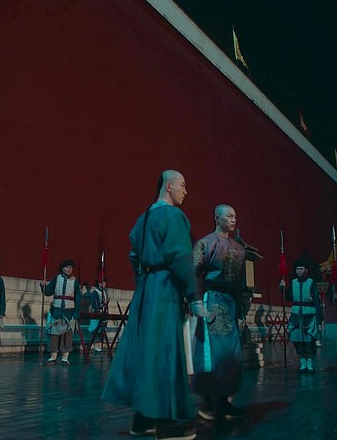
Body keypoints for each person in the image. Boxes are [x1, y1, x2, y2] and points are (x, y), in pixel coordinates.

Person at [102, 170, 202, 440]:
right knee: (167, 352)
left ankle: (142, 420)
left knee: (147, 351)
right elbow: (181, 257)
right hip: (166, 287)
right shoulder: (174, 216)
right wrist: (192, 295)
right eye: (183, 185)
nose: (185, 191)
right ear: (169, 186)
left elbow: (134, 255)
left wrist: (144, 283)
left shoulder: (142, 219)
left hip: (146, 288)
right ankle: (168, 424)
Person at [192, 204, 250, 421]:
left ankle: (224, 401)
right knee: (212, 354)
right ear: (217, 218)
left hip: (231, 302)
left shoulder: (239, 249)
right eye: (229, 216)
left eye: (235, 216)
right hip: (212, 300)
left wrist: (241, 312)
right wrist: (196, 301)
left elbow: (241, 284)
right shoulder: (205, 244)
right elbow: (194, 274)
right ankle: (208, 402)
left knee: (231, 354)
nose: (233, 220)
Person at [280, 258, 323, 372]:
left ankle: (310, 363)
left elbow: (316, 301)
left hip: (309, 315)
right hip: (296, 315)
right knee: (298, 341)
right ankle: (303, 363)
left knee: (309, 340)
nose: (299, 271)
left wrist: (319, 318)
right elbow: (288, 297)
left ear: (306, 270)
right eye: (297, 269)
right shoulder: (293, 282)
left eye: (301, 269)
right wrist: (282, 288)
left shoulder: (311, 283)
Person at [42, 259, 81, 366]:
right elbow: (48, 292)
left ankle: (65, 358)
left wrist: (77, 312)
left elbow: (78, 297)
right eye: (67, 267)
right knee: (53, 335)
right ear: (62, 269)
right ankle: (53, 357)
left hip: (69, 312)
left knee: (67, 336)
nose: (69, 269)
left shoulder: (75, 281)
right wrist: (43, 285)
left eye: (71, 268)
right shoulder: (57, 278)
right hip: (56, 311)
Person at [89, 279, 107, 353]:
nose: (105, 284)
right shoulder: (95, 292)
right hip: (97, 313)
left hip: (103, 313)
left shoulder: (104, 292)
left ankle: (100, 345)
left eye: (105, 283)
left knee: (102, 330)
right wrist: (100, 306)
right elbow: (93, 304)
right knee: (96, 330)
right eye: (103, 283)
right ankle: (96, 346)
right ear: (99, 283)